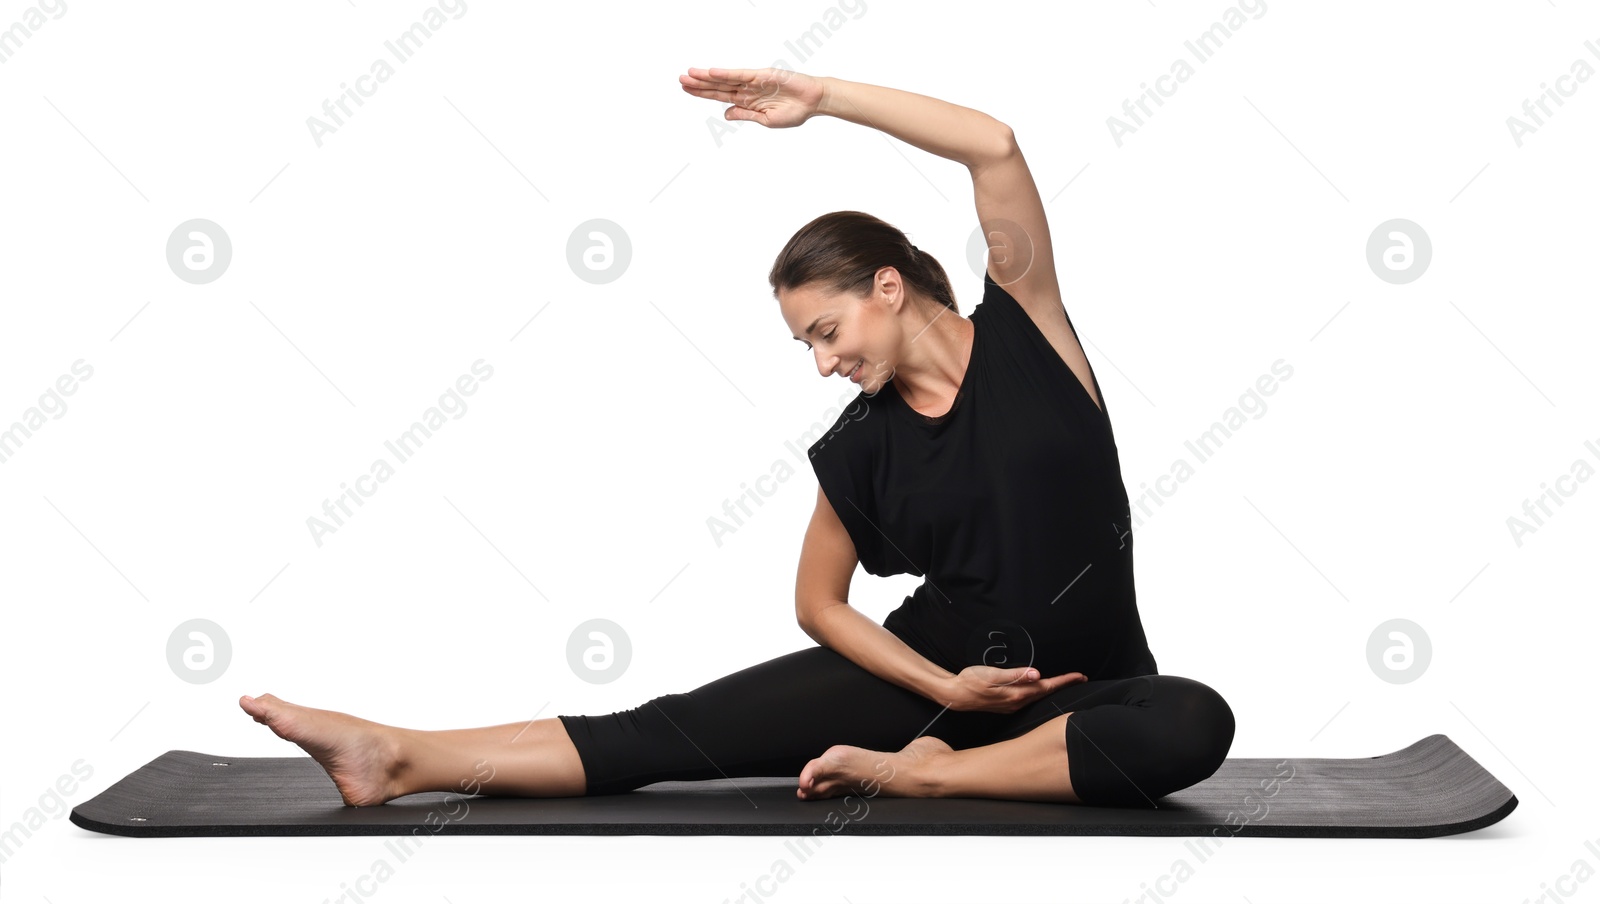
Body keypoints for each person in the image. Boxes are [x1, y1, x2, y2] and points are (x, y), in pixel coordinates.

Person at [239, 67, 1235, 809]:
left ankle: (932, 780)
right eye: (805, 344)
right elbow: (816, 602)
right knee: (663, 734)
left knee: (1192, 724)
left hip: (1089, 696)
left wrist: (823, 96)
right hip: (929, 678)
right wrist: (941, 686)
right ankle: (398, 753)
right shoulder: (863, 443)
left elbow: (994, 145)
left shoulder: (1028, 331)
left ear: (888, 287)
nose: (821, 362)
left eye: (826, 333)